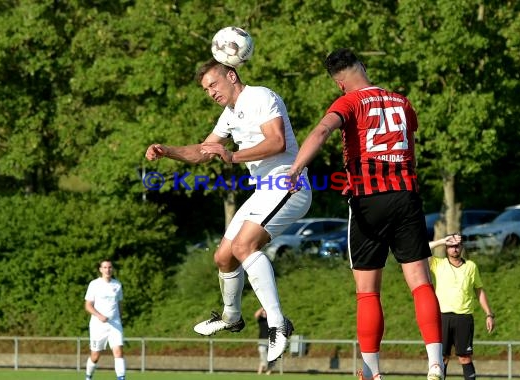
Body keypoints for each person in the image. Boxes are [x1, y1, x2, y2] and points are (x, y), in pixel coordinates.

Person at [286, 48, 444, 380]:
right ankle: (435, 363)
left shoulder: (347, 103)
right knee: (420, 282)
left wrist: (296, 168)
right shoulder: (402, 102)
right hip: (406, 195)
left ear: (338, 83)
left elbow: (320, 132)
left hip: (368, 199)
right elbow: (410, 152)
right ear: (363, 67)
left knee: (368, 290)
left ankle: (372, 371)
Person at [144, 58, 312, 362]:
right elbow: (203, 151)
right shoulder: (229, 115)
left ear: (231, 75)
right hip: (265, 191)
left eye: (213, 84)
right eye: (206, 89)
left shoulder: (260, 96)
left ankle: (278, 323)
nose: (210, 92)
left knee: (243, 245)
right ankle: (232, 316)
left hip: (289, 184)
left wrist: (232, 156)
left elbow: (276, 141)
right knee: (223, 257)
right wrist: (167, 150)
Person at [429, 233, 495, 380]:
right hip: (443, 317)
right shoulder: (438, 264)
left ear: (462, 247)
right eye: (451, 246)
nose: (454, 249)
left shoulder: (471, 267)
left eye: (457, 245)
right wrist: (441, 241)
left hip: (464, 318)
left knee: (465, 358)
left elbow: (479, 290)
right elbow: (421, 250)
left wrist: (489, 314)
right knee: (442, 358)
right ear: (446, 248)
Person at [84, 260, 126, 380]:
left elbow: (119, 304)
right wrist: (99, 315)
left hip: (115, 324)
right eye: (105, 267)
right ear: (100, 270)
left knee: (118, 352)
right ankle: (88, 376)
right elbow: (88, 306)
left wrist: (119, 319)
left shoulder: (117, 285)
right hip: (98, 325)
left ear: (112, 269)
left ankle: (121, 378)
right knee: (95, 356)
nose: (107, 270)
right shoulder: (94, 284)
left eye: (110, 267)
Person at [255, 307, 273, 375]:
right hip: (262, 339)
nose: (264, 312)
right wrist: (263, 307)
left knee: (272, 356)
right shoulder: (261, 319)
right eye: (264, 312)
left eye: (266, 311)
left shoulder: (271, 319)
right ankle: (264, 364)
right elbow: (256, 315)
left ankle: (266, 372)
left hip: (271, 340)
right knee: (262, 351)